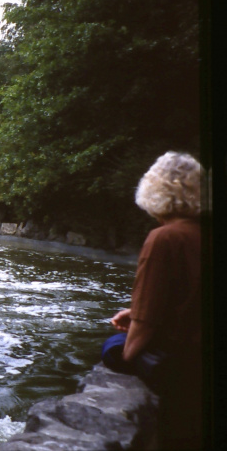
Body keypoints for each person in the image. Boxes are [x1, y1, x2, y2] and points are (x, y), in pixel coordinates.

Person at [104, 151, 202, 449]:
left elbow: (147, 321)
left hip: (182, 361)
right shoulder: (200, 232)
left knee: (111, 347)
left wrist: (128, 353)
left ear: (153, 192)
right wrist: (134, 312)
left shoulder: (164, 237)